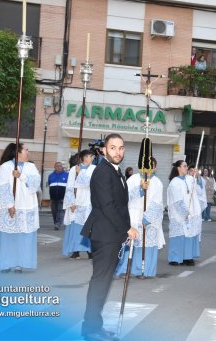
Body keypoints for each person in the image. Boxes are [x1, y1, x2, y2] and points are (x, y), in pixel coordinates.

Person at [81, 133, 139, 341]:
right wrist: (127, 229)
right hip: (105, 234)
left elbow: (119, 205)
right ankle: (90, 329)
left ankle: (94, 326)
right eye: (113, 148)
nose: (118, 152)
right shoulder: (102, 172)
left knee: (103, 283)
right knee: (100, 282)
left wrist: (125, 228)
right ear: (104, 150)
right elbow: (107, 206)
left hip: (111, 233)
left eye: (121, 148)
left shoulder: (115, 171)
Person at [0, 143, 41, 272]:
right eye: (25, 150)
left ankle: (20, 263)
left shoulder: (31, 166)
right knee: (8, 237)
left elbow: (35, 185)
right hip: (11, 206)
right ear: (17, 152)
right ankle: (6, 263)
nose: (27, 152)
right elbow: (2, 188)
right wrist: (9, 205)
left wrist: (21, 176)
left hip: (27, 205)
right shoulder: (6, 167)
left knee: (23, 237)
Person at [115, 157, 164, 278]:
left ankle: (145, 271)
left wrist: (147, 218)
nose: (148, 169)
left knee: (147, 245)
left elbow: (157, 202)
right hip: (133, 216)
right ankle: (125, 270)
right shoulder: (133, 179)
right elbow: (124, 196)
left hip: (150, 219)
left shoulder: (157, 182)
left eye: (151, 166)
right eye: (146, 166)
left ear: (155, 168)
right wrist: (140, 189)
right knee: (130, 244)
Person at [167, 160, 203, 266]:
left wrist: (198, 177)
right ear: (178, 168)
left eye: (186, 166)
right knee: (179, 235)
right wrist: (184, 212)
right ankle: (175, 257)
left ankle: (188, 257)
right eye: (184, 166)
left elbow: (199, 191)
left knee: (190, 235)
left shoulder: (190, 179)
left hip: (192, 212)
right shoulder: (174, 182)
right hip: (179, 213)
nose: (186, 168)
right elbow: (176, 200)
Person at [62, 150, 95, 259]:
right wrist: (71, 202)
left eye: (92, 156)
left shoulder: (94, 169)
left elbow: (91, 184)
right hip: (76, 201)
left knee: (88, 228)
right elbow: (70, 186)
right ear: (84, 158)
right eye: (90, 156)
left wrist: (80, 173)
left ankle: (89, 250)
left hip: (88, 201)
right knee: (76, 227)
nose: (92, 158)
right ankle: (75, 250)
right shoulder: (73, 169)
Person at [48, 161, 68, 230]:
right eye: (57, 166)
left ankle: (58, 224)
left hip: (63, 197)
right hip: (53, 197)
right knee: (54, 211)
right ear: (54, 167)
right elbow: (50, 186)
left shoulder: (66, 175)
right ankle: (56, 223)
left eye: (60, 166)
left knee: (60, 211)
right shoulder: (51, 175)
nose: (59, 167)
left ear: (62, 167)